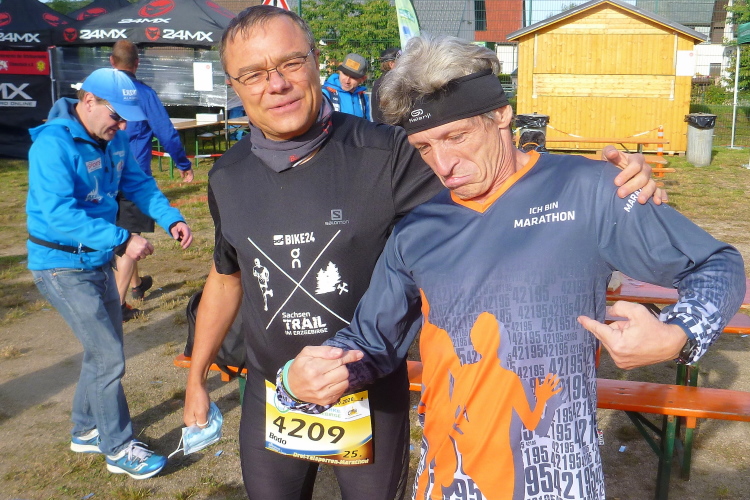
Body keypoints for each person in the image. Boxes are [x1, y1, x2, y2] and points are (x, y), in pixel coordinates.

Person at [182, 6, 659, 500]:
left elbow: (498, 180)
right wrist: (197, 377)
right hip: (274, 389)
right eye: (253, 74)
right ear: (232, 85)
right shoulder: (228, 175)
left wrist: (608, 185)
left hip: (367, 388)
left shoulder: (387, 152)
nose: (276, 84)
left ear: (316, 61)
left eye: (290, 63)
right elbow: (227, 275)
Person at [278, 35, 746, 500]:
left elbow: (717, 264)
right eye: (424, 147)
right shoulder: (417, 229)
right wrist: (298, 380)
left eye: (456, 137)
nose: (443, 164)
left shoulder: (589, 190)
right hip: (449, 478)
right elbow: (371, 342)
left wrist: (678, 333)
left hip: (560, 480)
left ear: (502, 115)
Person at [27, 68, 193, 480]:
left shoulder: (113, 137)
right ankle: (118, 448)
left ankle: (85, 429)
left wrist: (170, 218)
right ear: (88, 101)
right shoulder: (52, 145)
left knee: (104, 348)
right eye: (116, 116)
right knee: (108, 355)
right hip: (60, 265)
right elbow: (58, 213)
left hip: (96, 260)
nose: (121, 127)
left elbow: (140, 184)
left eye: (125, 119)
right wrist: (121, 239)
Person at [108, 40, 194, 319]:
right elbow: (165, 132)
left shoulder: (101, 93)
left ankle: (136, 285)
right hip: (135, 179)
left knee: (125, 233)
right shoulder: (143, 94)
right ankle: (118, 306)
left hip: (103, 180)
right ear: (137, 63)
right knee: (129, 237)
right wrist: (183, 163)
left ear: (112, 62)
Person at [322, 52, 370, 120]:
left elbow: (366, 123)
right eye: (345, 74)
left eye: (353, 77)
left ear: (363, 79)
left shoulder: (363, 98)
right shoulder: (325, 94)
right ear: (339, 71)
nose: (347, 81)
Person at [371, 47, 400, 124]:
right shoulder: (392, 83)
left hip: (383, 127)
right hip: (391, 127)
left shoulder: (380, 81)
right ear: (391, 64)